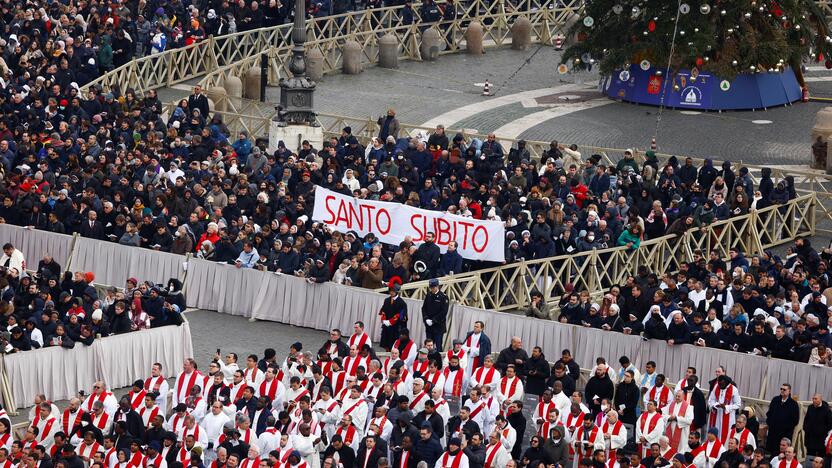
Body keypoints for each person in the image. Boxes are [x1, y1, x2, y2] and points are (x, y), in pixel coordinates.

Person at [765, 384, 800, 455]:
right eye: (781, 389)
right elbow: (769, 413)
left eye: (784, 389)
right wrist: (770, 423)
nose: (782, 391)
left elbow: (795, 420)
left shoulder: (793, 404)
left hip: (785, 433)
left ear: (789, 391)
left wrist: (786, 428)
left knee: (783, 452)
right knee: (771, 452)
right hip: (773, 431)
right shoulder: (775, 400)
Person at [422, 279, 449, 351]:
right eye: (431, 288)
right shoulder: (428, 295)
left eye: (433, 287)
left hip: (438, 326)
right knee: (428, 345)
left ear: (437, 287)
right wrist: (426, 318)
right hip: (429, 325)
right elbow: (424, 308)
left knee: (438, 346)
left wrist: (434, 320)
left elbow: (444, 312)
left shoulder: (443, 297)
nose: (432, 289)